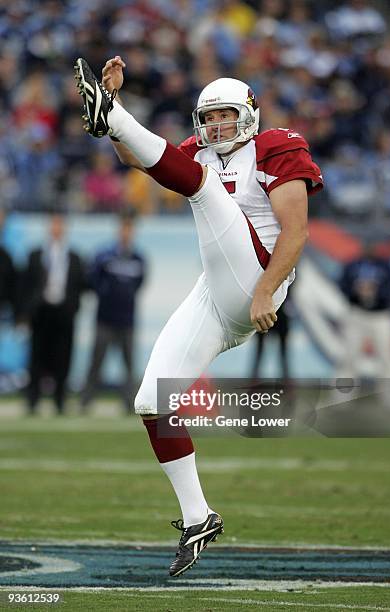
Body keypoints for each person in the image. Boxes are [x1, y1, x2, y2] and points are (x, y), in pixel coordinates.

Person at [74, 55, 323, 576]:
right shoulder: (198, 153)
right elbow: (138, 161)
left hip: (259, 278)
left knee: (205, 186)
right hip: (215, 290)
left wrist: (265, 292)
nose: (215, 126)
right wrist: (115, 110)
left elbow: (296, 232)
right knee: (151, 401)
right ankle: (197, 516)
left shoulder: (277, 146)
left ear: (249, 114)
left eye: (225, 115)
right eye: (207, 118)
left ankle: (110, 114)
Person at [81, 210, 146, 414]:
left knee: (128, 364)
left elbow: (139, 284)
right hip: (105, 319)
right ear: (119, 230)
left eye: (129, 228)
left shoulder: (138, 258)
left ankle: (129, 403)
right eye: (123, 228)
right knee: (96, 361)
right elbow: (92, 280)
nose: (126, 232)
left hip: (127, 320)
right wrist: (107, 294)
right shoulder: (104, 256)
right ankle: (86, 400)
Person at [22, 212, 85, 414]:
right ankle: (33, 400)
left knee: (63, 358)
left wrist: (74, 306)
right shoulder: (36, 254)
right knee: (36, 357)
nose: (56, 229)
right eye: (54, 224)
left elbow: (80, 285)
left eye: (60, 225)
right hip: (41, 312)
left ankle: (59, 400)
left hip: (64, 313)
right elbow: (27, 285)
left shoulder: (74, 257)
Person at [337, 243, 390, 384]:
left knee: (386, 358)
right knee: (349, 358)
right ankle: (341, 400)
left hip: (380, 315)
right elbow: (342, 284)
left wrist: (375, 292)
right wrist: (356, 292)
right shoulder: (353, 264)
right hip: (357, 313)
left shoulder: (384, 264)